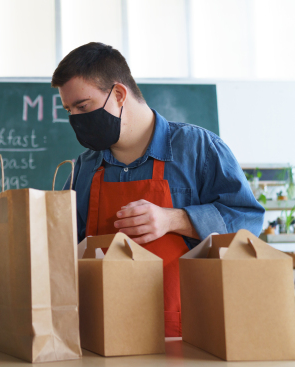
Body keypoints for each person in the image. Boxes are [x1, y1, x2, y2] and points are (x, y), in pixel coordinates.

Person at [53, 42, 264, 337]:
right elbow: (60, 249)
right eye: (69, 110)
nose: (75, 118)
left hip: (187, 335)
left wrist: (173, 219)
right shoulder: (83, 169)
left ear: (118, 94)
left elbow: (248, 222)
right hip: (100, 333)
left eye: (83, 107)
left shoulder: (199, 149)